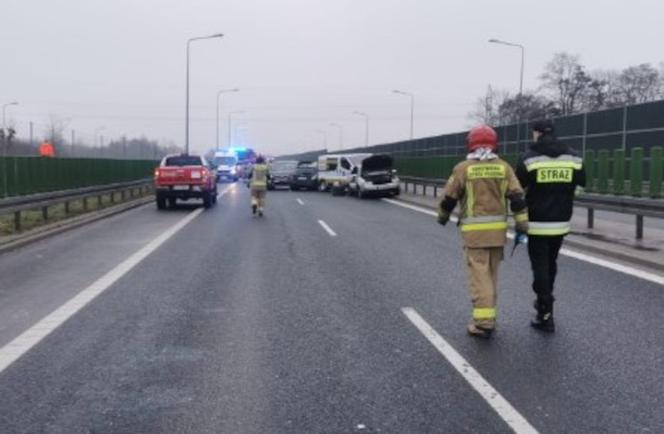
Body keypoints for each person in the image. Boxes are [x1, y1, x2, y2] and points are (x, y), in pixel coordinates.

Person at [438, 125, 529, 339]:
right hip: (498, 235)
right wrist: (522, 225)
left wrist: (442, 217)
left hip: (475, 236)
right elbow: (517, 197)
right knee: (491, 276)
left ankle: (483, 323)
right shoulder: (504, 167)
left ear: (471, 144)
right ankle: (489, 318)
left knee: (480, 279)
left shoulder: (463, 168)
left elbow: (449, 198)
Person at [516, 120, 586, 332]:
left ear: (537, 134)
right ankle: (546, 299)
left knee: (539, 267)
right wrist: (564, 198)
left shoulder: (529, 158)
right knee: (551, 263)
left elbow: (517, 189)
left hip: (536, 222)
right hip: (561, 222)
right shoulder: (573, 156)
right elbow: (581, 186)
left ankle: (545, 313)